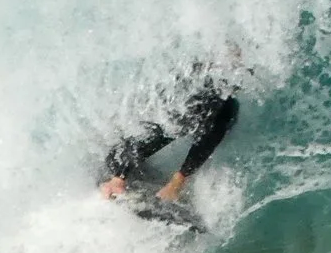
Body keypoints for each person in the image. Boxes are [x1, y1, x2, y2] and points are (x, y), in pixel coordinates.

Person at [99, 77, 239, 205]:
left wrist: (177, 182)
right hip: (188, 98)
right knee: (172, 122)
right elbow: (163, 130)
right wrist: (119, 177)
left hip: (214, 111)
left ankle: (174, 183)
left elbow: (208, 139)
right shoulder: (192, 81)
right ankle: (121, 173)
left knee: (217, 114)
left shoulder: (225, 108)